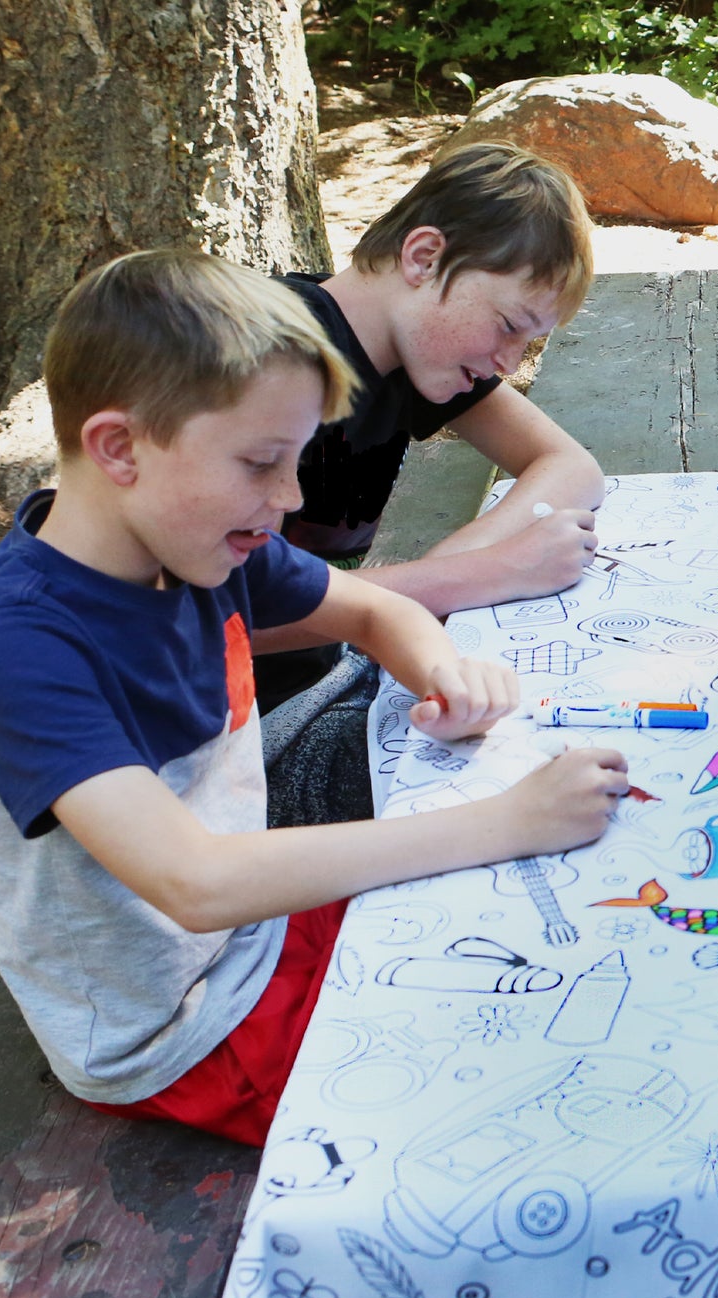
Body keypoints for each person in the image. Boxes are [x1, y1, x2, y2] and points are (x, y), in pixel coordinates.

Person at [0, 249, 626, 1147]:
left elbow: (370, 608)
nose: (288, 498)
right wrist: (511, 820)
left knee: (554, 949)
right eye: (261, 462)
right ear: (119, 447)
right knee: (517, 1102)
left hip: (262, 930)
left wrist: (441, 671)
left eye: (293, 460)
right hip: (183, 1028)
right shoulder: (25, 644)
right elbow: (195, 882)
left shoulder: (195, 542)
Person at [258, 142, 604, 823]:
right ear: (423, 258)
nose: (507, 362)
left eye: (528, 345)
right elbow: (223, 619)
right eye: (508, 326)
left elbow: (572, 468)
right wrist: (477, 577)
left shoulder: (408, 350)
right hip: (237, 733)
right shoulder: (272, 360)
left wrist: (450, 572)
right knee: (529, 771)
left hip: (331, 674)